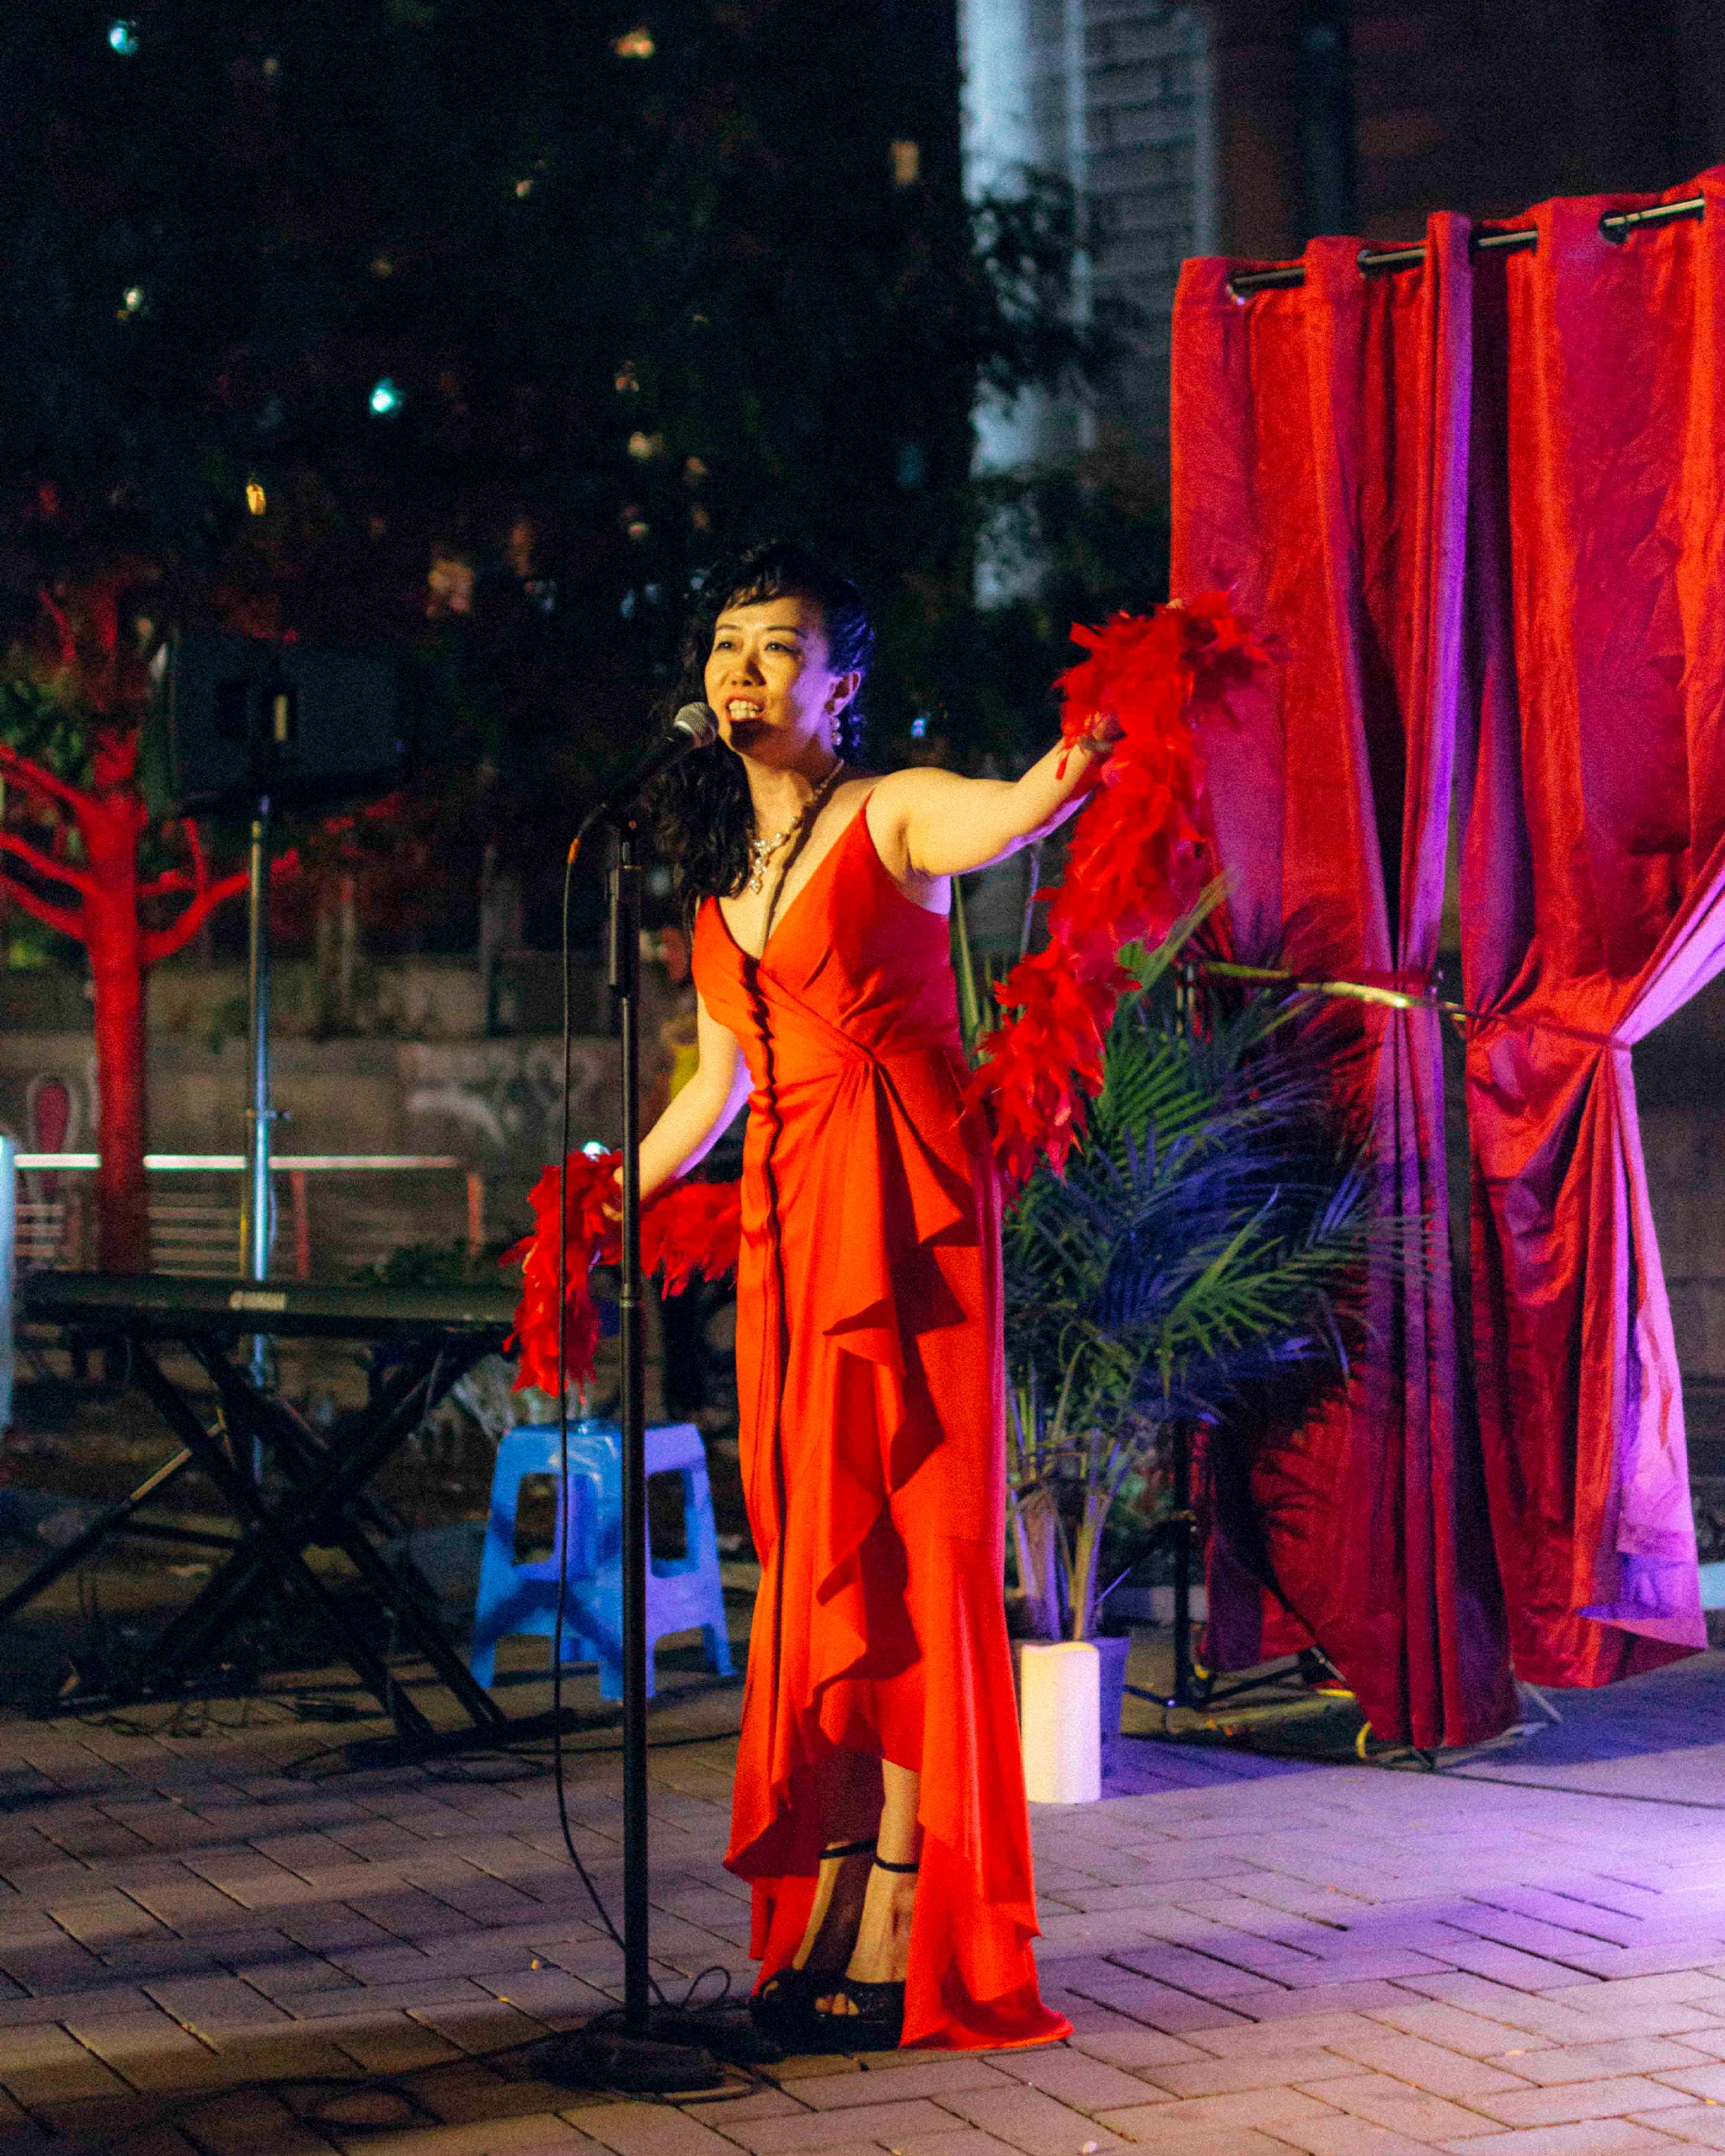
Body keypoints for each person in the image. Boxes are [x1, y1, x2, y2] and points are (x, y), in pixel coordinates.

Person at [643, 542, 1115, 2052]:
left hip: (908, 1224)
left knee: (918, 1555)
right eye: (727, 646)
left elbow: (1020, 808)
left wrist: (1080, 754)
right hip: (792, 1234)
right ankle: (834, 1885)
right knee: (818, 1563)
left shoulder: (893, 809)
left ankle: (912, 1895)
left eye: (779, 648)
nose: (744, 672)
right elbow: (717, 1084)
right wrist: (605, 1189)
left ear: (841, 685)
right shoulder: (718, 879)